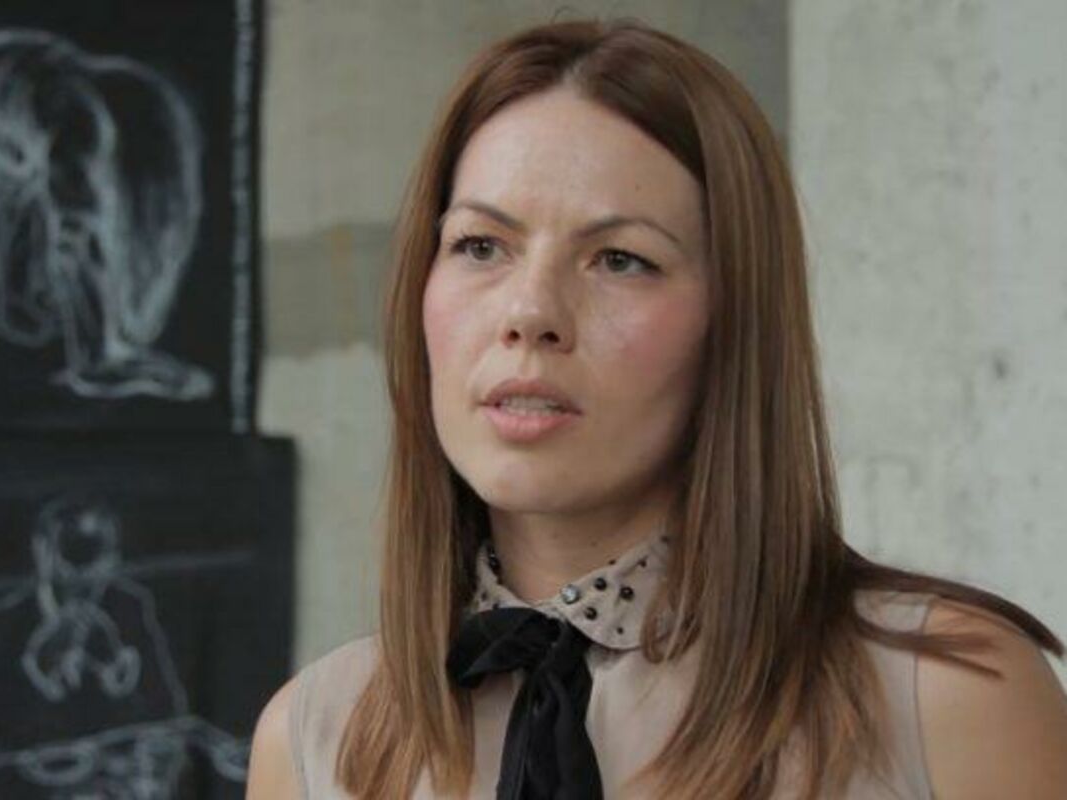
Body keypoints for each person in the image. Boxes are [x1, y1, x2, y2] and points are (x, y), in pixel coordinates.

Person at [247, 17, 1067, 800]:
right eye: (480, 245)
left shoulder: (944, 701)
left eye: (619, 259)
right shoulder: (317, 739)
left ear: (733, 321)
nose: (530, 312)